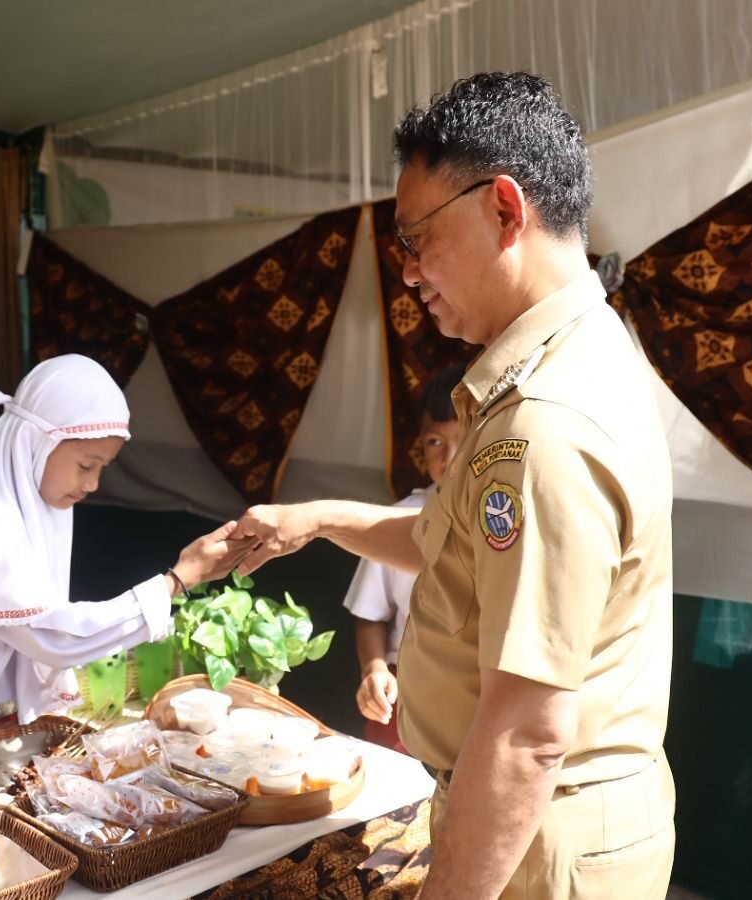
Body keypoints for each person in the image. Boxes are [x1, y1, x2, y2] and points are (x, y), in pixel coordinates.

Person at [233, 72, 675, 900]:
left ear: (505, 211)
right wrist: (319, 520)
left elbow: (527, 737)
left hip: (541, 842)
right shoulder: (571, 358)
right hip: (548, 826)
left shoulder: (542, 421)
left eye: (415, 239)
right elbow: (453, 544)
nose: (407, 272)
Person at [0, 354, 252, 753]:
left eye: (103, 468)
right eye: (86, 465)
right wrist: (177, 580)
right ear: (35, 444)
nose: (92, 484)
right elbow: (52, 636)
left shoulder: (37, 509)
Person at [347, 364, 464, 752]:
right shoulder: (397, 519)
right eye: (435, 442)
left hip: (472, 692)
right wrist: (374, 668)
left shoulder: (504, 522)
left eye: (463, 440)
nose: (449, 457)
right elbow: (370, 614)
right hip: (404, 695)